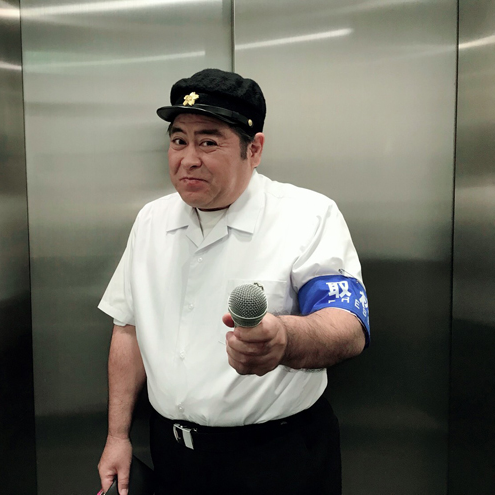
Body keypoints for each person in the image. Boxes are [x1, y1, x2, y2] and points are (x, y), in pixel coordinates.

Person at [97, 68, 370, 495]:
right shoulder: (151, 221)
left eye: (208, 142)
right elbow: (128, 327)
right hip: (173, 456)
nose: (188, 158)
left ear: (254, 149)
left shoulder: (307, 216)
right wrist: (117, 435)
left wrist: (284, 338)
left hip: (277, 459)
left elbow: (347, 326)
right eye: (178, 140)